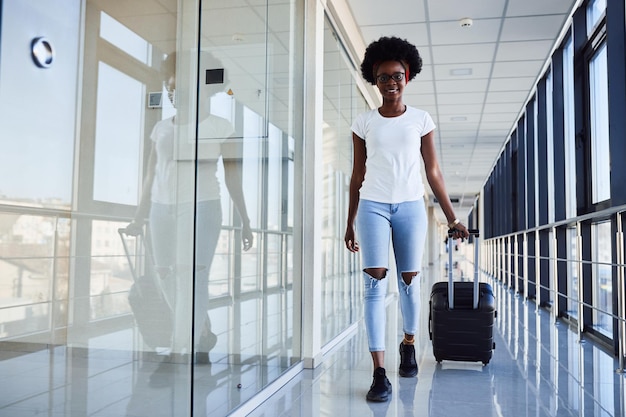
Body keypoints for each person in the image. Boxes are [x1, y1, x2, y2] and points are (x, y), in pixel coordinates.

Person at [344, 36, 469, 402]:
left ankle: (409, 343)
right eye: (383, 77)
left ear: (408, 76)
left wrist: (451, 217)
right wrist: (349, 221)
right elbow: (356, 175)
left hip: (412, 207)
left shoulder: (421, 119)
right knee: (373, 286)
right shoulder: (363, 122)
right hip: (372, 206)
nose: (391, 82)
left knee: (409, 283)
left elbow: (433, 172)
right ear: (375, 79)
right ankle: (379, 372)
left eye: (397, 75)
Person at [127, 52, 253, 366]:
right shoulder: (161, 129)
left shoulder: (221, 127)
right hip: (161, 208)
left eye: (179, 88)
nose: (172, 94)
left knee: (192, 279)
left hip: (202, 208)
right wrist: (139, 216)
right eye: (170, 89)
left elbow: (233, 179)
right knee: (165, 273)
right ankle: (203, 330)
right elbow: (150, 176)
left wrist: (246, 221)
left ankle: (180, 348)